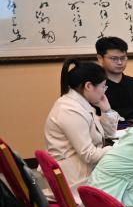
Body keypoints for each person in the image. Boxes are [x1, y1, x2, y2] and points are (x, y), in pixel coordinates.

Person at [44, 59, 120, 191]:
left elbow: (109, 133)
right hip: (76, 179)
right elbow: (89, 155)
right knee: (132, 180)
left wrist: (106, 110)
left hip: (81, 168)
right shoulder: (70, 110)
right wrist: (118, 148)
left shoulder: (80, 104)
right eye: (103, 86)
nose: (104, 91)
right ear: (88, 86)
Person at [95, 37, 133, 121]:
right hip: (108, 128)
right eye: (114, 58)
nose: (120, 62)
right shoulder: (95, 87)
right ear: (100, 58)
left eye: (123, 58)